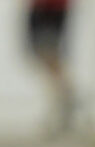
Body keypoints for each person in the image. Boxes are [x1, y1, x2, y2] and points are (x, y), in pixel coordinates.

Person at [26, 0, 75, 136]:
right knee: (47, 57)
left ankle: (64, 102)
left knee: (49, 55)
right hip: (47, 8)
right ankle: (63, 101)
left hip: (50, 8)